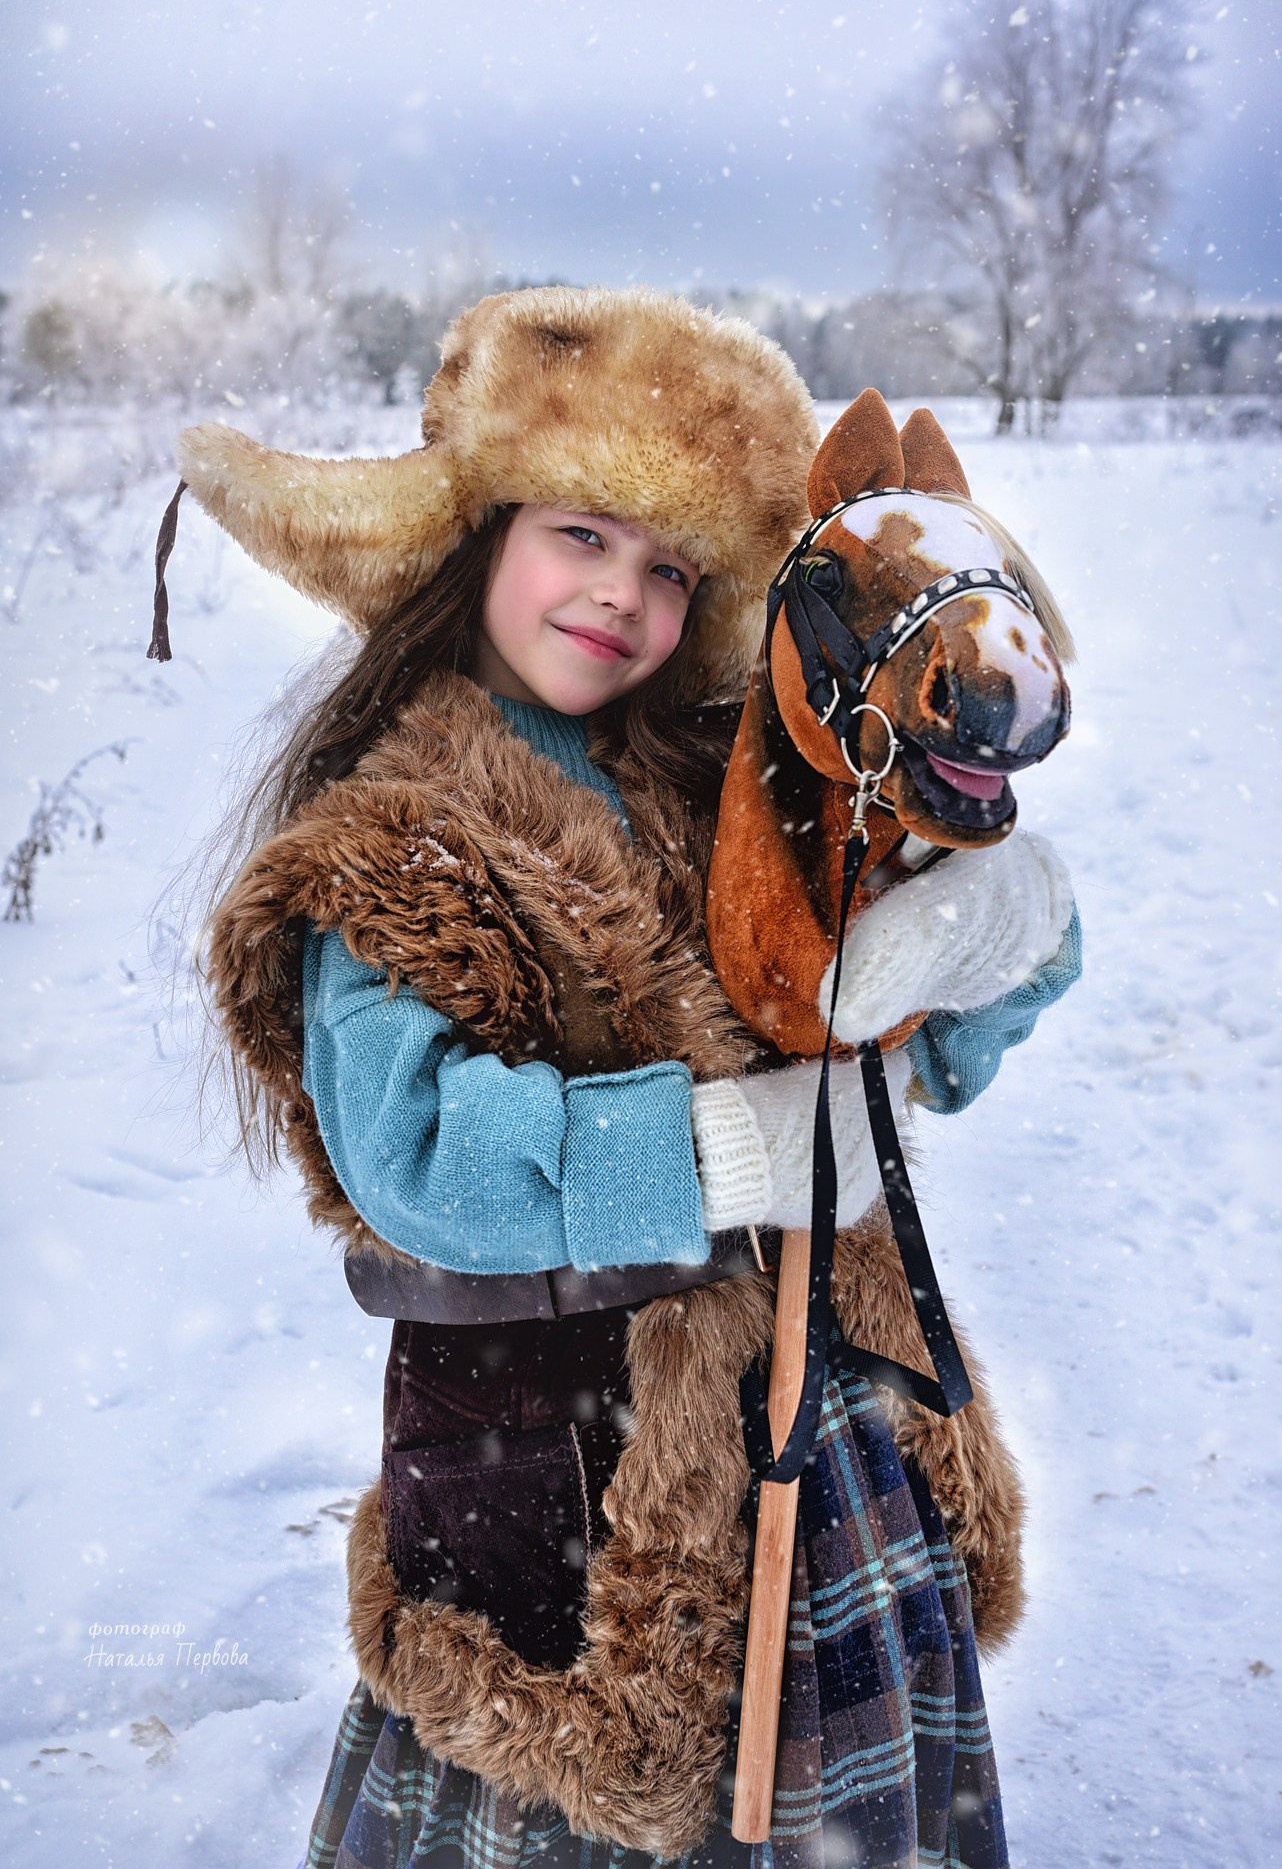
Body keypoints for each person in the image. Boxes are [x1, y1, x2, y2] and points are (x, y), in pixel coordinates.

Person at [177, 286, 1080, 1869]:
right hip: (574, 1481)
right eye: (583, 533)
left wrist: (976, 955)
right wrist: (734, 1149)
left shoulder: (718, 784)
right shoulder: (400, 837)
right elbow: (425, 1164)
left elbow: (868, 1044)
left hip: (824, 1439)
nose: (621, 595)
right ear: (483, 536)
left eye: (670, 569)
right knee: (590, 1792)